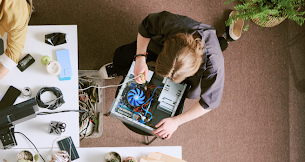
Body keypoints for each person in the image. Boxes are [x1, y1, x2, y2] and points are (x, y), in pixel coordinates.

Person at [99, 11, 244, 139]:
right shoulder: (171, 23)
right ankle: (120, 67)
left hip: (202, 61)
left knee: (191, 91)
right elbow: (146, 28)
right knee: (122, 55)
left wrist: (176, 121)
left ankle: (226, 38)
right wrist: (140, 57)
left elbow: (209, 103)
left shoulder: (214, 66)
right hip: (166, 46)